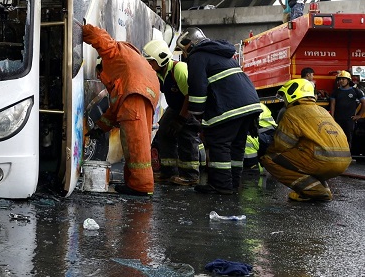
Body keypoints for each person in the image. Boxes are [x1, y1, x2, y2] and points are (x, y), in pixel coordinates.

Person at [179, 27, 262, 195]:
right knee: (237, 147)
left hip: (229, 107)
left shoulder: (198, 56)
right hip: (250, 105)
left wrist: (196, 116)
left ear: (190, 44)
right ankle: (232, 184)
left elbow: (197, 88)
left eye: (184, 49)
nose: (185, 54)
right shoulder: (223, 54)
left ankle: (221, 186)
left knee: (220, 144)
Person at [84, 24, 160, 196]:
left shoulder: (113, 54)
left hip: (136, 95)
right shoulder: (124, 71)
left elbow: (100, 38)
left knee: (135, 144)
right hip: (143, 94)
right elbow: (114, 109)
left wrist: (81, 30)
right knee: (135, 142)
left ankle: (141, 187)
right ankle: (133, 183)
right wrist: (99, 129)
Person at [260, 79, 350, 202]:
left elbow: (282, 144)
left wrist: (268, 151)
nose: (284, 100)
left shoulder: (292, 112)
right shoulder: (322, 110)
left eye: (285, 96)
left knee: (269, 159)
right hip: (343, 160)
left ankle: (315, 191)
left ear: (293, 94)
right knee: (306, 158)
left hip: (321, 159)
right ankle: (322, 189)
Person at [143, 39, 202, 186]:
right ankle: (168, 172)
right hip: (176, 107)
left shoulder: (179, 69)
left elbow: (190, 96)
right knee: (164, 131)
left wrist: (181, 120)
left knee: (186, 136)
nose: (148, 64)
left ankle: (190, 176)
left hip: (190, 107)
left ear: (160, 59)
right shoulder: (160, 73)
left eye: (150, 61)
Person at [329, 70, 365, 143]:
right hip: (337, 119)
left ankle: (348, 153)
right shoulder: (335, 92)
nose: (341, 81)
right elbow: (333, 104)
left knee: (348, 138)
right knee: (337, 138)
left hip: (349, 120)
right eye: (340, 79)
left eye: (343, 79)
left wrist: (359, 115)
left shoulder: (355, 91)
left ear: (348, 80)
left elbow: (364, 103)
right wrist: (332, 117)